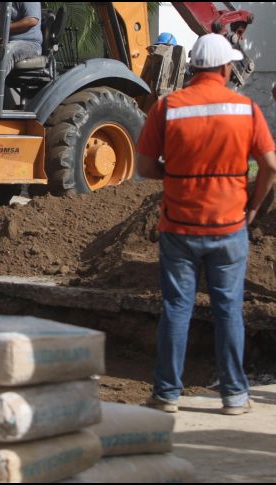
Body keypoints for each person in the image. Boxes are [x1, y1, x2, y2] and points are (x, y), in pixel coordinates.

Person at [136, 34, 276, 415]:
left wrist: (173, 173)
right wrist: (253, 207)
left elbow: (145, 166)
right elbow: (270, 165)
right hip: (229, 227)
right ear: (226, 68)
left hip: (179, 227)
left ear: (193, 67)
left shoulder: (168, 107)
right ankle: (234, 396)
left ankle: (166, 394)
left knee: (176, 309)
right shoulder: (245, 108)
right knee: (228, 310)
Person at [0, 2, 43, 88]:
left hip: (29, 43)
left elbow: (31, 20)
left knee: (7, 50)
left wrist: (3, 28)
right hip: (1, 40)